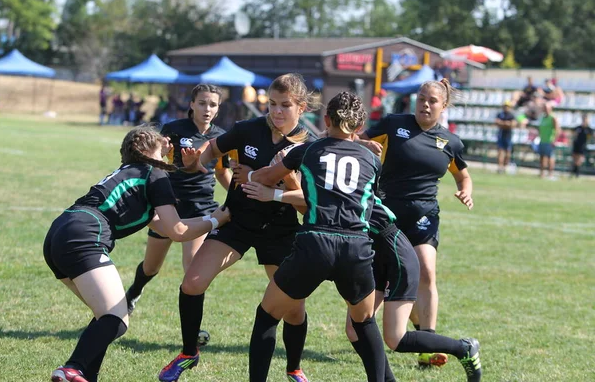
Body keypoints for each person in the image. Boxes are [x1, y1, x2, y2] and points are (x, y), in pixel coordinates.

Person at [158, 74, 315, 382]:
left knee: (294, 309)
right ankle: (189, 353)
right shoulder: (247, 129)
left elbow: (307, 204)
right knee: (192, 283)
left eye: (285, 105)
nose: (277, 112)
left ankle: (294, 368)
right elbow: (210, 152)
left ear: (302, 107)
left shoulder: (310, 145)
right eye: (272, 104)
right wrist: (194, 161)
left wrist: (277, 187)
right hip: (237, 221)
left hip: (281, 230)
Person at [44, 125, 231, 382]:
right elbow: (177, 230)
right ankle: (72, 368)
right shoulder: (154, 173)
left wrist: (205, 221)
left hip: (59, 233)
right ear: (149, 150)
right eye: (161, 143)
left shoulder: (133, 172)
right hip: (84, 234)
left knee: (106, 315)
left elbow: (163, 225)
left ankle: (83, 374)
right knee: (116, 318)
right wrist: (216, 220)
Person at [243, 91, 387, 382]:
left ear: (325, 119)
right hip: (356, 246)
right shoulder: (373, 161)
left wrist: (251, 175)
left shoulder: (308, 150)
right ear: (359, 127)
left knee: (267, 315)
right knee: (365, 322)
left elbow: (268, 178)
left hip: (316, 242)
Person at [358, 78, 474, 367]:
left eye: (432, 101)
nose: (425, 104)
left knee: (426, 271)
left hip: (424, 215)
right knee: (387, 279)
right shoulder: (394, 123)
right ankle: (400, 328)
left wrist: (465, 190)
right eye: (421, 98)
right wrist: (364, 144)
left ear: (443, 106)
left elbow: (463, 175)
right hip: (386, 213)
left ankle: (427, 343)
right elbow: (359, 140)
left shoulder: (451, 142)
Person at [125, 84, 232, 317]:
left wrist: (237, 192)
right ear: (191, 104)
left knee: (193, 272)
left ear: (218, 108)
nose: (207, 108)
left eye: (212, 104)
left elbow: (222, 172)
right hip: (169, 205)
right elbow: (156, 161)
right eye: (202, 103)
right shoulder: (174, 129)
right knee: (151, 267)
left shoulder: (221, 137)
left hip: (200, 207)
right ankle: (134, 292)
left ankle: (193, 328)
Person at [345, 202, 482, 382]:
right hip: (373, 256)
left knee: (395, 338)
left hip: (396, 257)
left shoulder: (352, 182)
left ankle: (462, 348)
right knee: (355, 329)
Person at [538, 103, 561, 179]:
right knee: (542, 157)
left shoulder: (553, 118)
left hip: (549, 141)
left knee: (550, 157)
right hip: (542, 140)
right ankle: (542, 174)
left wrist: (554, 140)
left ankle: (550, 174)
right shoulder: (543, 117)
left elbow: (557, 129)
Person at [495, 101, 517, 173]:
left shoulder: (511, 115)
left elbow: (513, 124)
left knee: (508, 152)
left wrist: (503, 124)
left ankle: (505, 167)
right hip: (501, 135)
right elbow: (497, 122)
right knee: (500, 151)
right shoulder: (500, 114)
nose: (506, 108)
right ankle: (500, 167)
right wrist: (506, 124)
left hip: (508, 136)